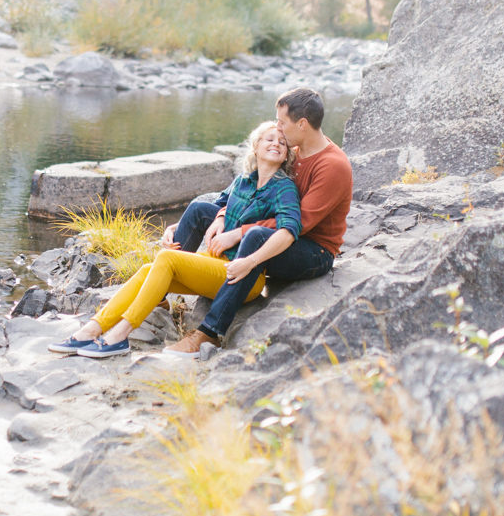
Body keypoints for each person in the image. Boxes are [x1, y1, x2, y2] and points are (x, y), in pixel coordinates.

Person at [48, 121, 302, 358]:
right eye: (269, 139)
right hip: (214, 264)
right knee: (149, 269)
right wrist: (182, 226)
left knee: (166, 258)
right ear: (255, 146)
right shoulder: (244, 181)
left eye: (282, 142)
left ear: (287, 154)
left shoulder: (284, 187)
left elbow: (289, 228)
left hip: (243, 276)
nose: (276, 144)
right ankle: (92, 329)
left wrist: (251, 260)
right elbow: (217, 205)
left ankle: (120, 335)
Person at [162, 87, 353, 357]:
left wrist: (239, 232)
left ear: (302, 124)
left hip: (312, 249)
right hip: (277, 232)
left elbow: (299, 226)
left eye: (281, 122)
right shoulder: (290, 151)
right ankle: (161, 296)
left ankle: (209, 333)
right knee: (197, 210)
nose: (277, 128)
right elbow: (237, 192)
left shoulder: (333, 165)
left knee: (254, 237)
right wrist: (218, 217)